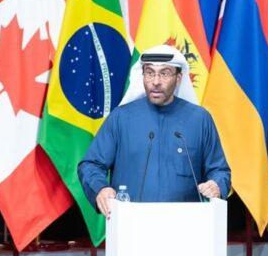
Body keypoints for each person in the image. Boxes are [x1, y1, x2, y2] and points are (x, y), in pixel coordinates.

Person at [78, 45, 231, 217]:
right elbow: (90, 164)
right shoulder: (121, 118)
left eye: (164, 73)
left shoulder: (199, 119)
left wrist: (216, 185)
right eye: (150, 73)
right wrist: (101, 188)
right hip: (131, 223)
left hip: (186, 223)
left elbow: (220, 170)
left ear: (178, 78)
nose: (156, 81)